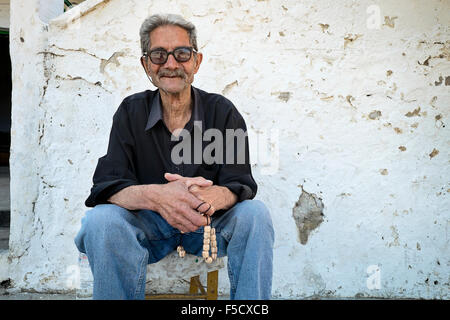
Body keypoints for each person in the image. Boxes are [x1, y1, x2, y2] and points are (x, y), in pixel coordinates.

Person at [74, 13, 274, 300]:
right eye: (158, 55)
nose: (170, 64)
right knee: (100, 221)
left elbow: (239, 184)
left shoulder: (222, 111)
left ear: (196, 61)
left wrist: (204, 197)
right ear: (146, 65)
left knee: (255, 215)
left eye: (181, 53)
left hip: (207, 229)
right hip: (149, 227)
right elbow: (106, 186)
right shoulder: (131, 112)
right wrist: (159, 197)